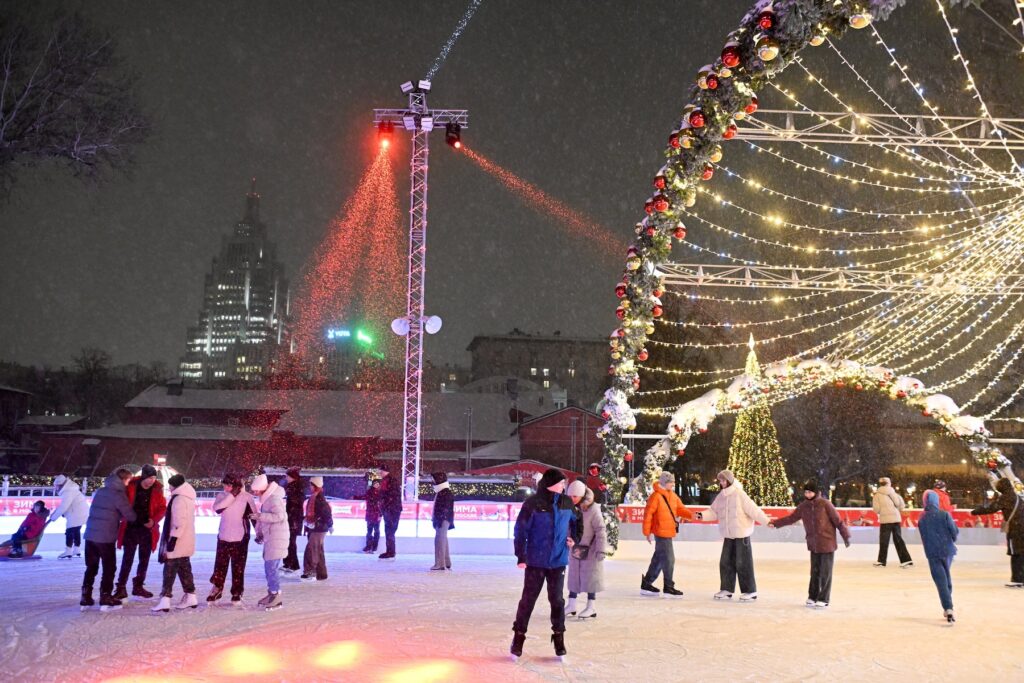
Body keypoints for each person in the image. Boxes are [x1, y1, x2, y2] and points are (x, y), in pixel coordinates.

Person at [511, 468, 579, 660]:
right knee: (528, 601)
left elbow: (577, 522)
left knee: (557, 601)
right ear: (551, 483)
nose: (564, 485)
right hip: (535, 561)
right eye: (561, 483)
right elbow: (520, 530)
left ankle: (559, 638)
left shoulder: (566, 502)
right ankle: (519, 637)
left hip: (558, 562)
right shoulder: (533, 503)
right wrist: (521, 556)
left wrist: (574, 538)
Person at [769, 480, 851, 608]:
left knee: (825, 572)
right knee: (815, 572)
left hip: (827, 542)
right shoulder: (803, 506)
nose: (807, 494)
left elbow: (838, 521)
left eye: (809, 492)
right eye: (806, 492)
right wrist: (775, 523)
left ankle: (823, 598)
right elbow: (791, 518)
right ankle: (813, 596)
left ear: (816, 492)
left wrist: (846, 536)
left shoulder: (825, 504)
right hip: (813, 544)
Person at [697, 469, 770, 602]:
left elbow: (754, 510)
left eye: (724, 480)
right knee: (725, 562)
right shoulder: (721, 496)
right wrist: (701, 515)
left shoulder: (739, 495)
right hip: (728, 535)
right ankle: (727, 589)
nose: (721, 483)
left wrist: (767, 521)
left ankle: (750, 591)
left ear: (729, 481)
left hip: (742, 535)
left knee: (743, 563)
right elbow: (713, 512)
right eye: (720, 480)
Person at [81, 469, 136, 611]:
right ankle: (105, 596)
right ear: (124, 480)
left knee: (91, 567)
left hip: (90, 535)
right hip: (105, 537)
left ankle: (85, 597)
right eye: (128, 481)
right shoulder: (118, 494)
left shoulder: (101, 491)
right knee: (109, 567)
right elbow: (130, 515)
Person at [115, 464, 167, 600]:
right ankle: (121, 587)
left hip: (147, 531)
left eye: (154, 477)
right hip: (131, 529)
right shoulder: (130, 487)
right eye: (149, 477)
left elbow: (162, 508)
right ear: (144, 476)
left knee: (144, 560)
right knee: (128, 559)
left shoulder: (157, 490)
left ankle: (138, 586)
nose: (152, 480)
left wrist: (154, 521)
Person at [641, 471, 694, 597]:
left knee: (659, 559)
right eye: (671, 482)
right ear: (665, 483)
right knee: (669, 559)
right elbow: (648, 515)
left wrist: (692, 515)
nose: (673, 484)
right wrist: (647, 532)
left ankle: (647, 583)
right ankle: (668, 587)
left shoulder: (673, 496)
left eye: (673, 482)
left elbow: (681, 509)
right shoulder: (656, 496)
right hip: (661, 532)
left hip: (668, 531)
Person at [208, 473, 258, 604]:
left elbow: (254, 516)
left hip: (240, 538)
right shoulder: (221, 496)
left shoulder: (246, 497)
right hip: (223, 536)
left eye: (228, 485)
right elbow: (217, 508)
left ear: (235, 485)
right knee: (219, 566)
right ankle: (217, 588)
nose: (225, 487)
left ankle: (237, 592)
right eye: (224, 484)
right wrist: (232, 495)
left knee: (238, 567)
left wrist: (260, 533)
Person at [152, 474, 197, 612]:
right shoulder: (188, 498)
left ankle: (165, 598)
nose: (169, 488)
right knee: (184, 568)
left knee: (170, 569)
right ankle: (191, 596)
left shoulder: (178, 500)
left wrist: (172, 540)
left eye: (170, 485)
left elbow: (179, 522)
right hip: (186, 540)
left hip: (178, 541)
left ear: (175, 486)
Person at [970, 477, 1024, 588]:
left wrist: (976, 511)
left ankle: (1017, 579)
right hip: (1021, 528)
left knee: (1016, 553)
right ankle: (1020, 578)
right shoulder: (1017, 497)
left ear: (1002, 487)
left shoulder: (1005, 498)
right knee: (1021, 553)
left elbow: (992, 508)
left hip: (1015, 529)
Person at [565, 480, 606, 619]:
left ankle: (591, 607)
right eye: (570, 496)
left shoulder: (593, 509)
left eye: (575, 496)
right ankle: (571, 604)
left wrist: (601, 550)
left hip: (591, 550)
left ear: (582, 495)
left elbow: (601, 530)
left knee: (590, 577)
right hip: (575, 548)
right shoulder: (572, 508)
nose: (572, 499)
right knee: (574, 576)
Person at [919, 490, 959, 623]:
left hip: (933, 553)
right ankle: (948, 604)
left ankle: (948, 607)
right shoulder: (944, 515)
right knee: (946, 577)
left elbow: (924, 537)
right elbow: (954, 532)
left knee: (941, 581)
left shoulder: (922, 519)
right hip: (947, 550)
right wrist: (951, 539)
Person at [251, 473, 289, 610]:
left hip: (277, 538)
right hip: (272, 538)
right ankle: (272, 593)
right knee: (269, 569)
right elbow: (267, 519)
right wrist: (260, 533)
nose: (255, 493)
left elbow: (280, 516)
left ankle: (276, 595)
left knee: (271, 569)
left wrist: (261, 516)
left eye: (256, 490)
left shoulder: (273, 499)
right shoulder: (267, 499)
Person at [872, 477, 913, 568]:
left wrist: (883, 510)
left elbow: (876, 509)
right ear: (889, 483)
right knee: (898, 540)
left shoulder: (877, 495)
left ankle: (882, 561)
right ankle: (906, 560)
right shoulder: (895, 494)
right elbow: (901, 506)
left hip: (885, 520)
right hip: (896, 519)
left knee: (884, 541)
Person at [301, 476, 333, 582]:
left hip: (318, 528)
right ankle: (321, 573)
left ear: (315, 486)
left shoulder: (318, 498)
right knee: (317, 550)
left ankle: (310, 572)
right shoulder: (315, 497)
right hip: (316, 527)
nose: (310, 487)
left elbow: (326, 513)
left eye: (311, 485)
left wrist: (330, 524)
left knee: (311, 550)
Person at [49, 475, 88, 559]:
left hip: (76, 514)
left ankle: (68, 550)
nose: (56, 488)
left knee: (69, 531)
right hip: (81, 513)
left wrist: (53, 517)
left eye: (56, 486)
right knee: (76, 530)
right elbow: (68, 505)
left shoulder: (68, 492)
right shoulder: (71, 489)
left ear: (61, 485)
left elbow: (63, 506)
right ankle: (76, 549)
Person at [282, 466, 305, 574]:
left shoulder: (296, 488)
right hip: (291, 518)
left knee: (290, 542)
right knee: (288, 541)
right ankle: (288, 563)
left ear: (292, 477)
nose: (286, 478)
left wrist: (293, 519)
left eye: (287, 476)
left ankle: (293, 564)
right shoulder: (293, 487)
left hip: (293, 520)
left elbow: (297, 504)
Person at [430, 471, 455, 571]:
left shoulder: (445, 493)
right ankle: (446, 561)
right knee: (442, 540)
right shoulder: (442, 492)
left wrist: (440, 519)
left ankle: (440, 564)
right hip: (442, 518)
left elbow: (444, 508)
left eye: (434, 479)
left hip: (443, 519)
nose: (432, 481)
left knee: (440, 540)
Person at [379, 464, 403, 560]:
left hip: (391, 509)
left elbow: (389, 495)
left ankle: (390, 551)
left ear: (385, 471)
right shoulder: (390, 480)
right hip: (392, 508)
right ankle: (390, 551)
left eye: (381, 471)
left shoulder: (388, 480)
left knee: (389, 530)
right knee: (390, 530)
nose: (380, 473)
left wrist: (384, 503)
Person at [363, 477, 382, 554]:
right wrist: (355, 497)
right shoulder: (369, 492)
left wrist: (380, 515)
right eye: (375, 484)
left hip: (377, 515)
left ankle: (374, 548)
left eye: (377, 484)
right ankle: (368, 547)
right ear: (373, 484)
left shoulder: (381, 493)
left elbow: (381, 505)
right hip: (370, 514)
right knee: (369, 532)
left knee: (376, 531)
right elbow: (364, 497)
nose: (376, 485)